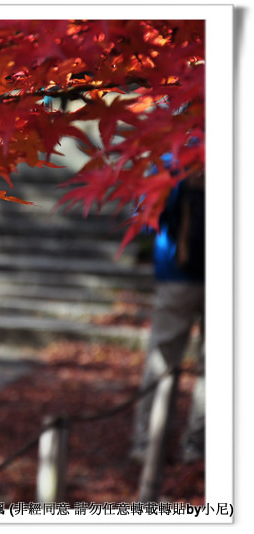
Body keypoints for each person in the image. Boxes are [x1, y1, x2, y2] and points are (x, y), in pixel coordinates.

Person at [130, 160, 205, 463]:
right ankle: (197, 447)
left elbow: (145, 212)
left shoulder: (171, 153)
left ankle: (147, 443)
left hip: (175, 271)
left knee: (162, 357)